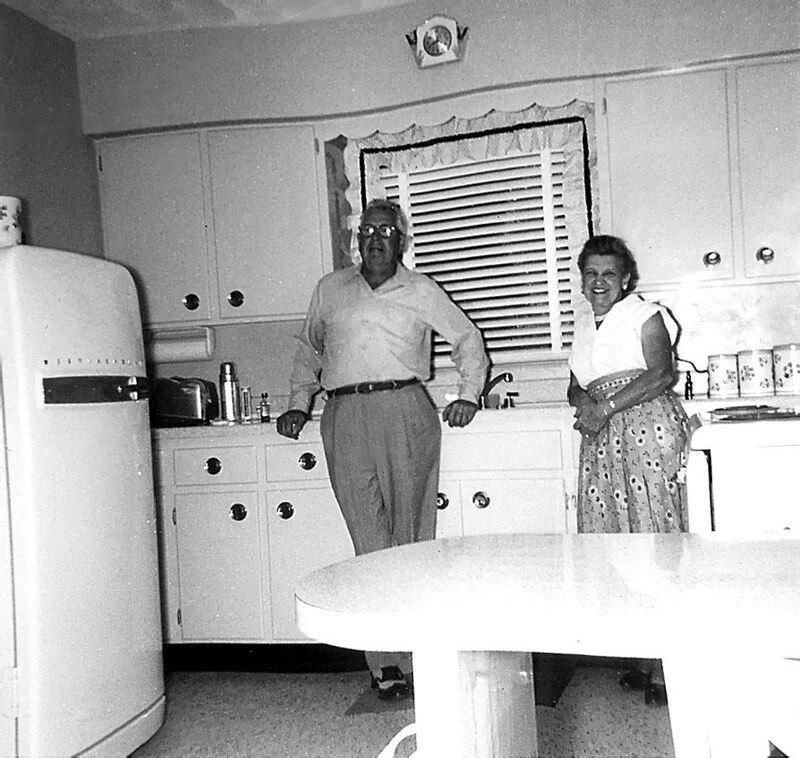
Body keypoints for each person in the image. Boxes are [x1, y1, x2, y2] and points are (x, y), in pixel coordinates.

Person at [277, 198, 489, 700]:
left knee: (411, 537)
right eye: (367, 231)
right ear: (358, 240)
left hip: (404, 410)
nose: (376, 239)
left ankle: (419, 657)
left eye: (386, 231)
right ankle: (384, 660)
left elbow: (467, 338)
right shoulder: (331, 289)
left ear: (401, 239)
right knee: (368, 541)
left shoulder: (420, 289)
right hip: (344, 414)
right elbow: (309, 350)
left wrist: (468, 394)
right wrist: (297, 402)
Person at [567, 234, 690, 706]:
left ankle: (668, 664)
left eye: (609, 274)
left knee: (657, 538)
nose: (599, 282)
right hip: (602, 434)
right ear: (583, 279)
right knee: (614, 543)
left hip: (644, 428)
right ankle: (642, 656)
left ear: (626, 280)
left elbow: (662, 374)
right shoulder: (582, 326)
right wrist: (586, 404)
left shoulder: (645, 314)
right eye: (591, 273)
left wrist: (607, 406)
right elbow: (575, 386)